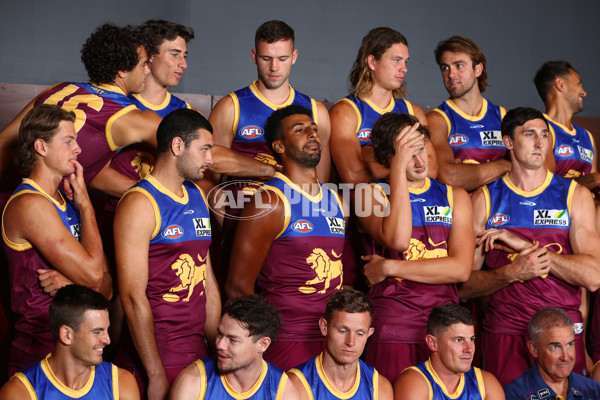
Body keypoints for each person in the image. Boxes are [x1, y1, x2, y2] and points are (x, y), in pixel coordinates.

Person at [459, 107, 600, 385]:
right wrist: (510, 273)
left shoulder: (574, 195)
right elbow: (464, 286)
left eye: (544, 135)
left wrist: (524, 247)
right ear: (508, 142)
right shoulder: (484, 200)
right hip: (506, 332)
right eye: (529, 134)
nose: (539, 143)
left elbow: (594, 276)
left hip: (560, 333)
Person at [226, 105, 346, 371]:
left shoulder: (335, 199)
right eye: (300, 130)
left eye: (314, 130)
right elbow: (237, 288)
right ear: (279, 146)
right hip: (288, 339)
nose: (312, 134)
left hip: (334, 339)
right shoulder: (269, 201)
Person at [357, 113, 474, 382]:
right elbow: (398, 239)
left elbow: (460, 269)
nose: (421, 161)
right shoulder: (367, 194)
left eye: (421, 148)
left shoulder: (454, 196)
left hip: (444, 325)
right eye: (409, 154)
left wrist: (388, 266)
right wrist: (397, 170)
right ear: (389, 157)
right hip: (394, 325)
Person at [115, 109, 221, 400]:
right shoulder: (140, 203)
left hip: (199, 348)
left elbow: (207, 280)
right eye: (205, 149)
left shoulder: (197, 194)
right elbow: (132, 296)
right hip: (160, 350)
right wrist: (156, 373)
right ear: (177, 147)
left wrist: (219, 347)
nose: (210, 160)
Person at [2, 105, 111, 375]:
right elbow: (96, 277)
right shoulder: (30, 204)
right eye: (68, 141)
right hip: (38, 351)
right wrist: (86, 206)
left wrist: (73, 284)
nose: (78, 149)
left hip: (77, 352)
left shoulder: (65, 200)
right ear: (41, 146)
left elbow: (107, 289)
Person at [209, 20, 331, 184]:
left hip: (292, 206)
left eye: (282, 58)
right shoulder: (230, 107)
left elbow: (320, 183)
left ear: (294, 56)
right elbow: (209, 168)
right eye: (266, 58)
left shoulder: (317, 111)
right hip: (241, 205)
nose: (274, 67)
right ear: (254, 56)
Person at [428, 36, 542, 191]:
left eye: (459, 66)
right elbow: (449, 176)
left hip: (503, 209)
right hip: (462, 210)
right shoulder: (437, 120)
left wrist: (468, 173)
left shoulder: (502, 116)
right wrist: (504, 165)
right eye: (445, 68)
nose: (451, 74)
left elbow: (536, 170)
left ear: (478, 69)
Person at [329, 27, 437, 187]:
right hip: (365, 205)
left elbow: (432, 170)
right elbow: (353, 174)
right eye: (396, 60)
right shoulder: (346, 112)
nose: (404, 68)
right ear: (372, 62)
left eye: (405, 61)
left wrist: (370, 155)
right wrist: (405, 162)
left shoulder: (413, 112)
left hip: (409, 201)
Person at [0, 284, 139, 400]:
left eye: (106, 330)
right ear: (67, 335)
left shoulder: (122, 385)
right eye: (97, 332)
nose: (107, 340)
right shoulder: (20, 393)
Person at [169, 295, 300, 400]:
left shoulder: (283, 392)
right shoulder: (192, 382)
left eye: (233, 340)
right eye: (220, 334)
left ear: (262, 344)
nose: (219, 345)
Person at [289, 289, 393, 400]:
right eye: (343, 331)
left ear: (369, 333)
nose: (350, 342)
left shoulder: (379, 387)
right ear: (324, 327)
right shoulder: (296, 385)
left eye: (359, 333)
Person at [394, 304, 504, 400]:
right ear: (432, 343)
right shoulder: (414, 382)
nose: (469, 349)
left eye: (471, 339)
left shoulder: (486, 383)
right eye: (458, 340)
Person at [504, 307, 600, 400]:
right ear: (533, 349)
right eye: (555, 347)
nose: (566, 357)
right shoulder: (515, 394)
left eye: (570, 345)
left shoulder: (593, 389)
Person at [534, 61, 597, 187]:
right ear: (560, 85)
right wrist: (592, 180)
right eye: (578, 84)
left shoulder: (587, 137)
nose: (584, 92)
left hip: (586, 205)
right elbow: (543, 187)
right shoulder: (539, 129)